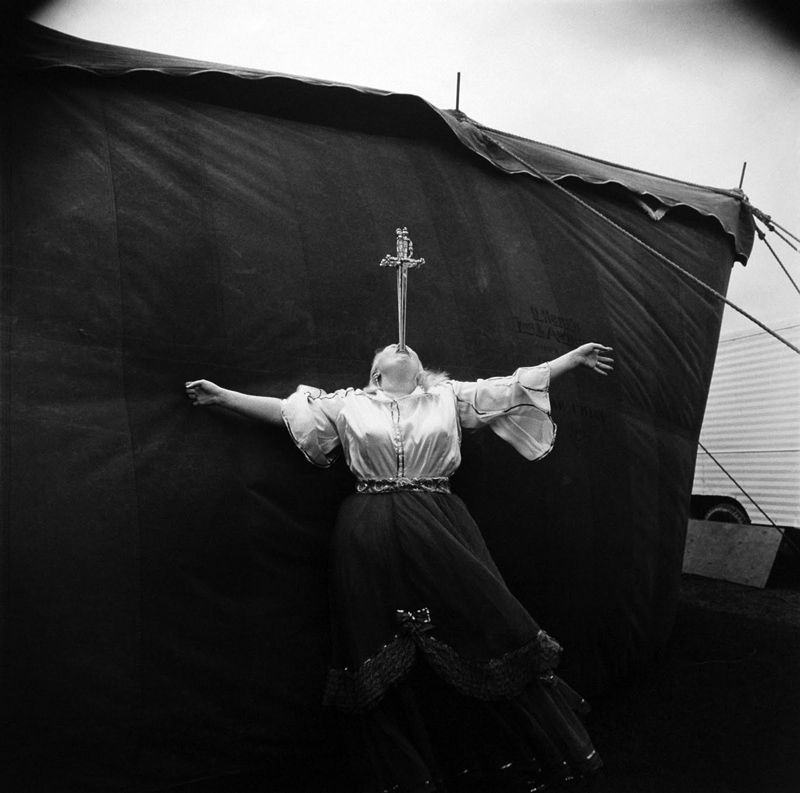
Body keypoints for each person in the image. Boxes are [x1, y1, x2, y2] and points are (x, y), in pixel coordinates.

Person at [185, 341, 613, 793]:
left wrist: (570, 360)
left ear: (420, 370)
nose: (401, 345)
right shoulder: (349, 403)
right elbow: (288, 411)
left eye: (408, 349)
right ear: (375, 374)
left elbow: (509, 389)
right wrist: (222, 396)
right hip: (368, 528)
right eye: (390, 349)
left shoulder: (448, 397)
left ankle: (498, 753)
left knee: (482, 623)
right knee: (377, 637)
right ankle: (408, 768)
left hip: (440, 524)